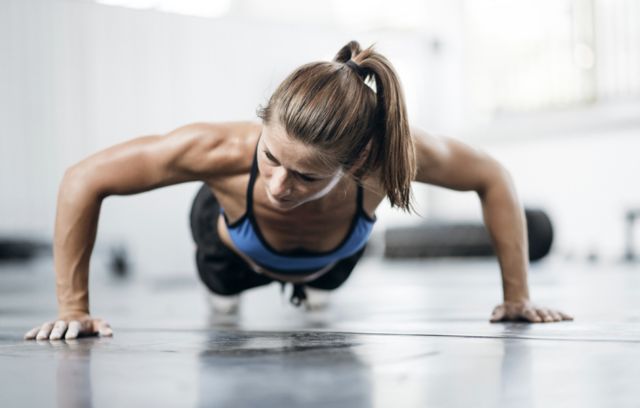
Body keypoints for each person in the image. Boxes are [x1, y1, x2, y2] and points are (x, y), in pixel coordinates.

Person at [24, 41, 573, 341]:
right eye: (271, 157)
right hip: (232, 254)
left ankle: (311, 284)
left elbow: (492, 177)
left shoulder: (390, 157)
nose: (279, 185)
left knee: (327, 276)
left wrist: (516, 297)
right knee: (223, 289)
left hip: (331, 259)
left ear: (358, 160)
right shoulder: (217, 149)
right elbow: (83, 179)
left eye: (306, 175)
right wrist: (75, 309)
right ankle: (231, 288)